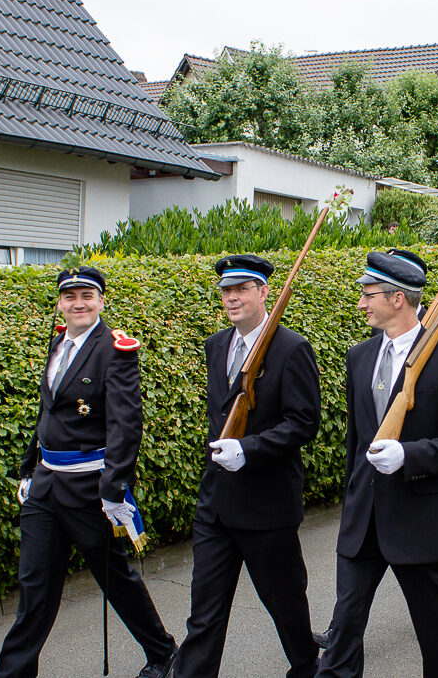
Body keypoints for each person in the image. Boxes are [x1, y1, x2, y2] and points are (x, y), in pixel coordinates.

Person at [0, 267, 177, 678]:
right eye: (70, 296)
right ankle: (13, 673)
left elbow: (126, 424)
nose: (78, 303)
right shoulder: (58, 341)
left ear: (101, 300)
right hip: (45, 484)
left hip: (89, 487)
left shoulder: (116, 349)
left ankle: (163, 651)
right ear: (60, 302)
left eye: (87, 296)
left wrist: (113, 488)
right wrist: (30, 467)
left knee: (114, 577)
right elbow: (48, 410)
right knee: (34, 587)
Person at [319, 251, 438, 678]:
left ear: (398, 300)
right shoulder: (359, 356)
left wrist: (409, 455)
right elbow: (358, 441)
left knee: (436, 633)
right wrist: (353, 497)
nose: (361, 303)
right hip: (365, 519)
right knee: (343, 629)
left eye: (368, 294)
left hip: (421, 519)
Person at [178, 255, 321, 678]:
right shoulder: (216, 345)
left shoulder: (292, 348)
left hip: (267, 505)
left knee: (287, 605)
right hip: (217, 504)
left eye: (242, 289)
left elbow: (303, 422)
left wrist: (250, 449)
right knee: (204, 613)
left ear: (263, 293)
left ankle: (308, 668)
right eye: (226, 290)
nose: (232, 297)